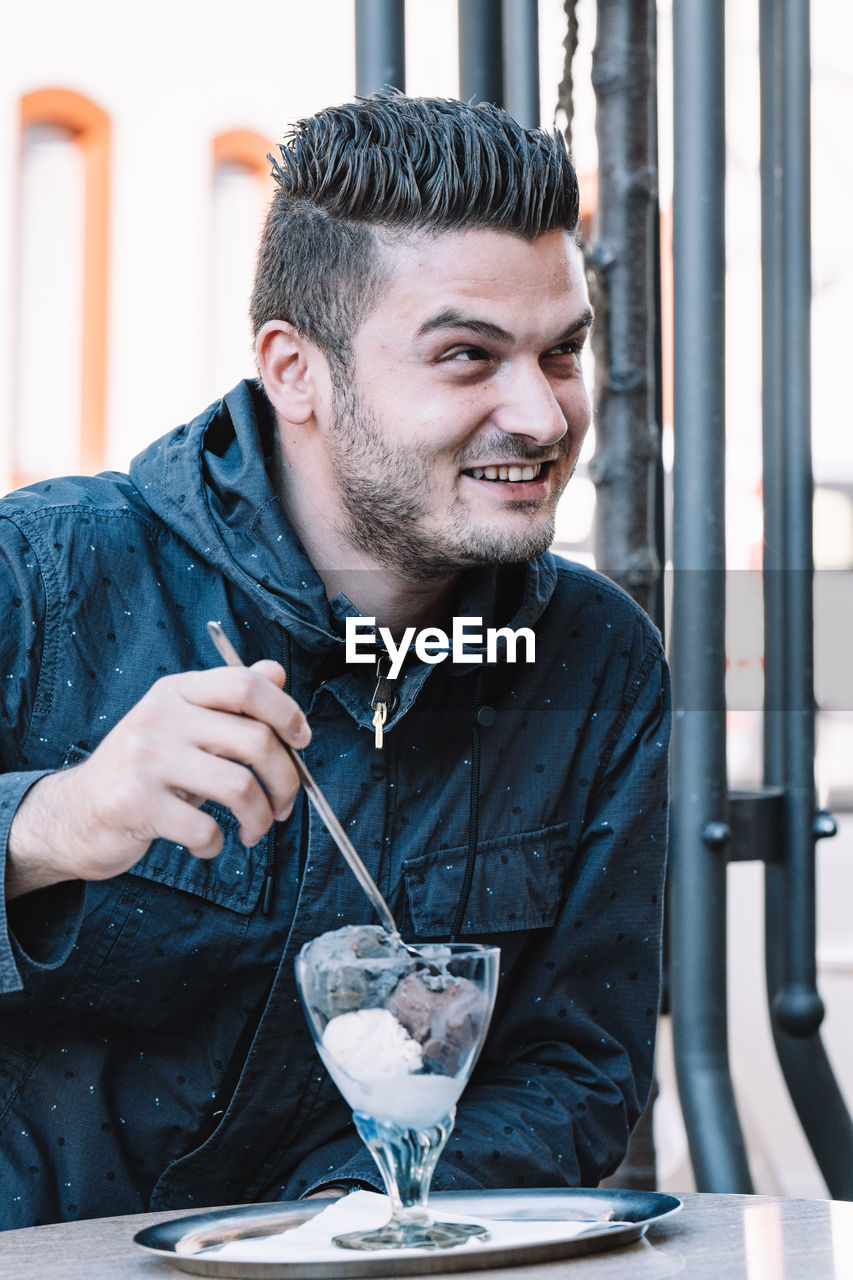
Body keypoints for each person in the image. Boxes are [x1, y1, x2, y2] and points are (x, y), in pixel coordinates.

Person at [0, 93, 669, 1230]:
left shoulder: (596, 660)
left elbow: (579, 1065)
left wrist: (348, 1225)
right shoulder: (43, 575)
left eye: (562, 351)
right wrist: (48, 823)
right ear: (294, 370)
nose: (543, 414)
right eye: (467, 355)